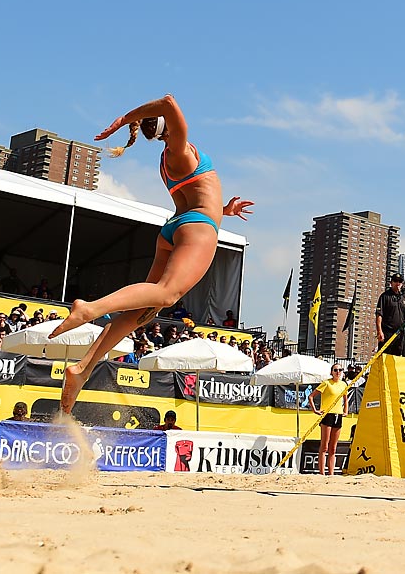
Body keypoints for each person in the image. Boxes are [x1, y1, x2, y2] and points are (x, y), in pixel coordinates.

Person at [50, 95, 253, 414]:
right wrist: (121, 120)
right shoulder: (179, 148)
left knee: (145, 311)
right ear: (167, 130)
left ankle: (85, 367)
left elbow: (195, 194)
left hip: (176, 228)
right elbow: (169, 102)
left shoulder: (169, 158)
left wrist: (223, 210)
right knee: (168, 293)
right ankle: (89, 308)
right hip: (196, 226)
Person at [309, 363, 349, 476]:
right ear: (331, 372)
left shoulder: (343, 384)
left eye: (340, 370)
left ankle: (331, 474)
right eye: (335, 370)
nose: (338, 372)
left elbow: (345, 399)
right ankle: (322, 473)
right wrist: (315, 410)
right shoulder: (326, 383)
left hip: (338, 415)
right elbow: (311, 396)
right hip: (327, 414)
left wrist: (345, 411)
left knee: (333, 448)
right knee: (324, 446)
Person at [375, 274, 405, 357]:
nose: (397, 283)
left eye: (400, 281)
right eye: (395, 281)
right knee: (383, 357)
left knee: (397, 358)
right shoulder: (384, 296)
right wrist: (379, 331)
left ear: (402, 284)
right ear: (391, 283)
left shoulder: (404, 299)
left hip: (400, 335)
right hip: (387, 333)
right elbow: (379, 315)